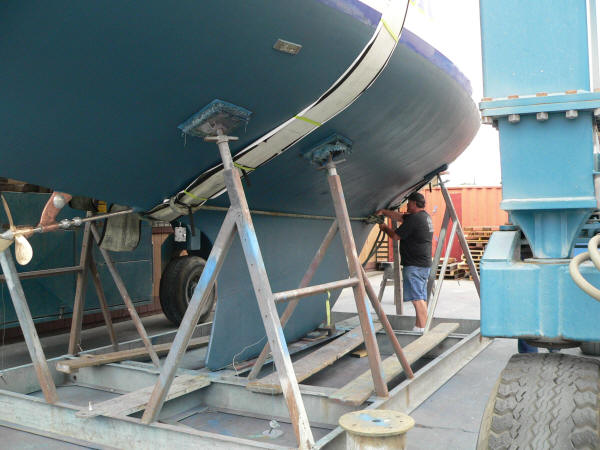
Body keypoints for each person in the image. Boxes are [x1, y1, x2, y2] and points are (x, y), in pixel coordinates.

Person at [376, 192, 434, 332]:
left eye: (409, 202)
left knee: (417, 299)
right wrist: (384, 212)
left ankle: (423, 330)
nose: (407, 205)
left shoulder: (414, 219)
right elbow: (400, 217)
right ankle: (419, 327)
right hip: (423, 264)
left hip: (414, 265)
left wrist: (384, 227)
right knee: (420, 298)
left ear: (414, 203)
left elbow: (396, 236)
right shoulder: (424, 216)